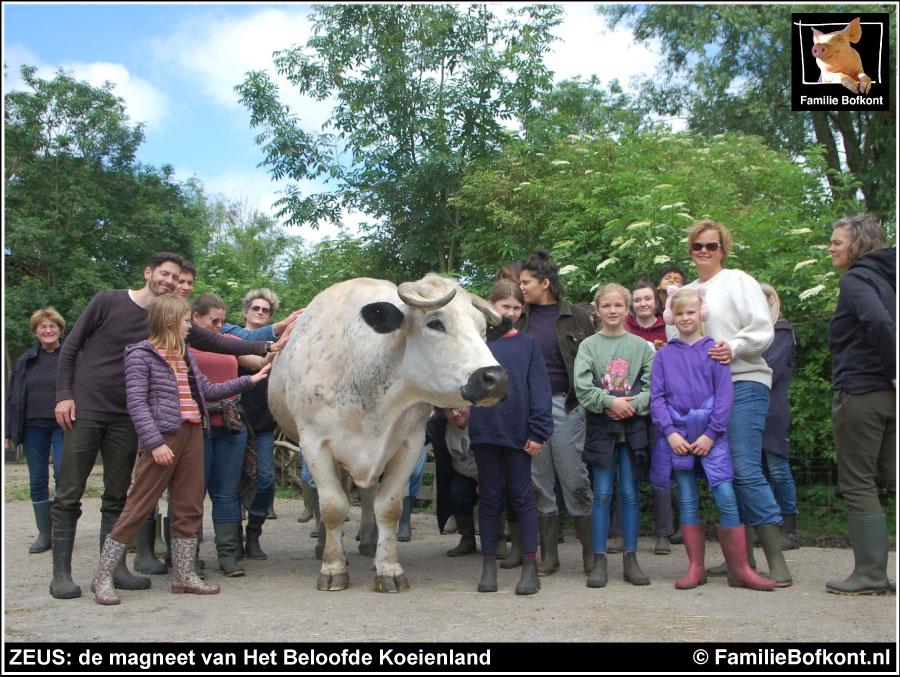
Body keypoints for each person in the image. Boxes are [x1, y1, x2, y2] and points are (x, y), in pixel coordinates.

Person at [50, 252, 274, 600]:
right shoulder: (138, 350)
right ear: (170, 320)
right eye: (187, 321)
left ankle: (184, 574)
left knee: (187, 506)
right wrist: (153, 441)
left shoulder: (183, 354)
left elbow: (208, 389)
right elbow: (137, 401)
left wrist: (253, 376)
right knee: (135, 502)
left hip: (191, 433)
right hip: (147, 430)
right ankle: (96, 575)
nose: (191, 326)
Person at [683, 221, 792, 587]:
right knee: (720, 473)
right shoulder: (683, 293)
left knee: (746, 469)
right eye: (698, 245)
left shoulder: (739, 281)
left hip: (744, 381)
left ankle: (776, 562)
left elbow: (763, 329)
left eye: (712, 246)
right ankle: (739, 559)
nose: (704, 251)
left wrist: (735, 346)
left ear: (724, 250)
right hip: (704, 395)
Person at [650, 287, 775, 591]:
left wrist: (710, 434)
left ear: (701, 314)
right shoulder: (664, 355)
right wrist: (671, 434)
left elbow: (725, 397)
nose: (685, 318)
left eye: (690, 312)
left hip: (712, 436)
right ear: (671, 318)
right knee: (688, 499)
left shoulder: (716, 351)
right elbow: (657, 398)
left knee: (726, 496)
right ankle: (696, 568)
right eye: (679, 313)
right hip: (678, 436)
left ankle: (739, 568)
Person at [825, 213, 895, 596]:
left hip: (863, 394)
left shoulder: (856, 279)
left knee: (858, 484)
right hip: (890, 396)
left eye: (838, 242)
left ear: (859, 244)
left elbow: (880, 324)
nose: (831, 248)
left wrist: (894, 368)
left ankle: (870, 574)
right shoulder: (889, 278)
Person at [468, 279, 553, 595]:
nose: (513, 313)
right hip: (485, 431)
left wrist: (538, 430)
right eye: (506, 307)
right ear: (492, 305)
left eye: (518, 308)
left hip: (519, 434)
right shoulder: (476, 341)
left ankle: (530, 567)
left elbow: (540, 390)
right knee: (489, 498)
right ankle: (488, 565)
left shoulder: (528, 344)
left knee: (522, 498)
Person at [189, 293, 284, 576]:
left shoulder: (228, 343)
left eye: (221, 320)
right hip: (196, 425)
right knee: (191, 493)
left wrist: (285, 337)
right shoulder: (182, 345)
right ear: (195, 318)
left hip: (231, 425)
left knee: (227, 492)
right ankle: (187, 556)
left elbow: (259, 362)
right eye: (213, 320)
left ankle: (228, 555)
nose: (219, 326)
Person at [516, 249, 596, 576]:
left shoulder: (576, 316)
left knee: (573, 475)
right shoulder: (521, 318)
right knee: (538, 480)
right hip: (531, 409)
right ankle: (549, 555)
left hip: (568, 404)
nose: (521, 287)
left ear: (545, 282)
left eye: (526, 282)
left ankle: (592, 553)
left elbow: (593, 359)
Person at [574, 283, 655, 588]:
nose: (612, 311)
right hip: (601, 427)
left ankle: (630, 559)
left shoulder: (640, 347)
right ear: (597, 311)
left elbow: (652, 387)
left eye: (618, 305)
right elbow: (583, 387)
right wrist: (609, 402)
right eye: (606, 306)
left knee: (630, 493)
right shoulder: (588, 347)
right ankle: (599, 560)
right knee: (603, 493)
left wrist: (632, 405)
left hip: (632, 427)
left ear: (627, 309)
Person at [611, 279, 679, 556]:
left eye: (647, 299)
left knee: (661, 472)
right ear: (632, 305)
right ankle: (621, 533)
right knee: (623, 473)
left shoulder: (670, 327)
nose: (642, 304)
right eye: (637, 300)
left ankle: (665, 533)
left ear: (656, 302)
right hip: (630, 406)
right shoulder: (624, 329)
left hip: (663, 406)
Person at [5, 308, 70, 553]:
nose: (48, 330)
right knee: (37, 478)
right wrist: (7, 431)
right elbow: (13, 398)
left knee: (64, 475)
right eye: (43, 327)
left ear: (60, 329)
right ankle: (45, 534)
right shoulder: (25, 360)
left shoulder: (72, 356)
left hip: (65, 424)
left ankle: (64, 530)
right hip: (33, 426)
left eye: (52, 326)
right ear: (35, 331)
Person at [759, 283, 800, 551]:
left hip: (773, 410)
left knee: (777, 468)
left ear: (772, 300)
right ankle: (765, 525)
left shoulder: (782, 332)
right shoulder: (756, 333)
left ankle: (789, 526)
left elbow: (769, 369)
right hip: (752, 408)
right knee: (757, 470)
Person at [430, 407, 480, 556]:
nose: (455, 414)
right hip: (462, 473)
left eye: (458, 407)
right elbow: (423, 432)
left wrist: (488, 479)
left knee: (496, 497)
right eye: (448, 411)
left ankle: (498, 540)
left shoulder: (481, 417)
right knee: (456, 494)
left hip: (490, 472)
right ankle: (467, 539)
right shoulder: (440, 423)